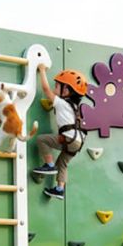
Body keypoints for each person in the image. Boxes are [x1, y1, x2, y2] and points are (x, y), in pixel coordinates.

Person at [31, 66, 88, 199]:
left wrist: (42, 70)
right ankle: (59, 189)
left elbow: (46, 90)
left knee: (42, 139)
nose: (54, 89)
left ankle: (49, 165)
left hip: (69, 138)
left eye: (56, 86)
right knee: (62, 164)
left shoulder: (61, 103)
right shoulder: (74, 107)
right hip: (78, 142)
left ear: (66, 90)